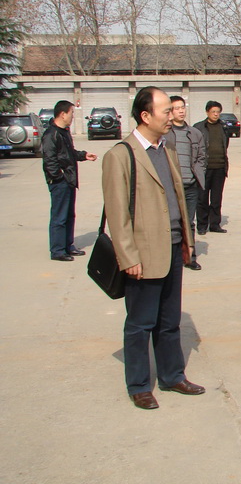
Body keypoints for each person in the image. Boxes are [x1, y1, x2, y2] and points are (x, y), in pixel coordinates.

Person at [102, 86, 205, 410]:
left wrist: (187, 242)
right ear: (146, 116)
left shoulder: (167, 148)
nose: (171, 116)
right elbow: (118, 214)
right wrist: (128, 256)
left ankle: (172, 376)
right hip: (143, 255)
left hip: (173, 247)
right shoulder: (121, 155)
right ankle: (139, 385)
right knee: (140, 323)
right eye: (165, 111)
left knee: (169, 320)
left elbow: (178, 198)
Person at [41, 100, 97, 261]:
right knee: (59, 217)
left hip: (69, 180)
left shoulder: (64, 132)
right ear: (63, 114)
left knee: (69, 215)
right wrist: (59, 177)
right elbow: (49, 160)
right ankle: (58, 251)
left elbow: (69, 153)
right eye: (71, 113)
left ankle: (68, 245)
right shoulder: (51, 134)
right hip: (60, 182)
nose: (73, 116)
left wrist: (83, 155)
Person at [166, 96, 206, 270]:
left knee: (189, 223)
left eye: (182, 107)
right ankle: (171, 258)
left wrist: (198, 173)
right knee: (171, 223)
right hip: (172, 187)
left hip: (191, 186)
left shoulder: (195, 133)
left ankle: (190, 257)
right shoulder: (165, 134)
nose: (181, 111)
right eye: (177, 108)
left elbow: (202, 157)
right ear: (170, 111)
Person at [194, 101, 229, 234]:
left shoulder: (223, 127)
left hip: (219, 168)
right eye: (213, 112)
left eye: (218, 112)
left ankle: (215, 224)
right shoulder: (199, 127)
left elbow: (225, 144)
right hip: (204, 169)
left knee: (216, 199)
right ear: (207, 112)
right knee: (202, 198)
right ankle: (202, 225)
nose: (216, 114)